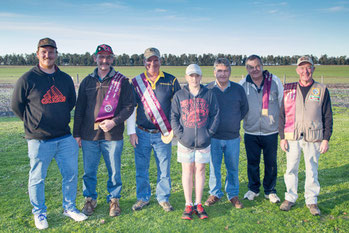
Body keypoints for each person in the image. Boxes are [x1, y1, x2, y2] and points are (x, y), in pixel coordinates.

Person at [11, 38, 87, 230]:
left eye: (51, 51)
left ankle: (69, 208)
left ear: (56, 54)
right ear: (37, 54)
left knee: (70, 174)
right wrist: (33, 124)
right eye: (44, 51)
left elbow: (70, 102)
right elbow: (16, 106)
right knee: (37, 178)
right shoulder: (27, 79)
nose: (48, 55)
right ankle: (39, 212)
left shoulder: (64, 78)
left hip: (64, 137)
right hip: (38, 140)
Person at [73, 44, 134, 217]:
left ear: (112, 59)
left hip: (112, 135)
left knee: (114, 170)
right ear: (95, 58)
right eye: (101, 57)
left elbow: (130, 106)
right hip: (88, 136)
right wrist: (76, 134)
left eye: (108, 57)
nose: (104, 61)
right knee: (89, 171)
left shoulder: (121, 81)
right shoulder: (87, 81)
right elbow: (79, 110)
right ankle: (90, 200)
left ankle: (114, 200)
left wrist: (114, 122)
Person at [126, 47, 181, 212]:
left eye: (155, 60)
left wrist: (175, 131)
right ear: (144, 62)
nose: (152, 63)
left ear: (160, 61)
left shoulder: (171, 80)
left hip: (163, 134)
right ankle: (143, 198)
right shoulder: (136, 82)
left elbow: (178, 107)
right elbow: (131, 108)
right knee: (141, 168)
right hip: (141, 133)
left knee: (164, 169)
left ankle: (163, 198)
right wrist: (131, 132)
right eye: (149, 60)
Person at [279, 56, 333, 216]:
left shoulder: (321, 89)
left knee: (312, 170)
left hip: (314, 137)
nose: (305, 71)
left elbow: (328, 116)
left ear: (313, 69)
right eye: (302, 68)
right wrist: (282, 137)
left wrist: (326, 138)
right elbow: (282, 114)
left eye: (308, 67)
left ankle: (312, 200)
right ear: (297, 70)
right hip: (292, 136)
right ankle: (290, 198)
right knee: (291, 169)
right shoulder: (289, 89)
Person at [171, 64, 220, 220]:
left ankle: (199, 204)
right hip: (185, 141)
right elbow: (174, 116)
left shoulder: (209, 94)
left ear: (201, 77)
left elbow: (216, 115)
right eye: (191, 75)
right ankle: (188, 204)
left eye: (197, 75)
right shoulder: (179, 95)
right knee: (187, 171)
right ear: (186, 77)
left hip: (203, 141)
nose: (194, 78)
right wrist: (180, 135)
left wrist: (209, 133)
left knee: (200, 170)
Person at [205, 58, 249, 208]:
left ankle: (233, 194)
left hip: (232, 137)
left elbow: (244, 109)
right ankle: (215, 193)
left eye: (225, 71)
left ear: (230, 72)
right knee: (214, 166)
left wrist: (234, 121)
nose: (223, 74)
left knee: (233, 167)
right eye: (219, 71)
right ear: (214, 72)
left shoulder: (238, 89)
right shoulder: (208, 89)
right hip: (214, 137)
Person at [239, 55, 283, 204]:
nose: (254, 70)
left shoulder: (275, 81)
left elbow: (283, 105)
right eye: (251, 67)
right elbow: (238, 108)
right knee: (252, 162)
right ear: (247, 69)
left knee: (270, 162)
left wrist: (284, 130)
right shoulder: (242, 84)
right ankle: (253, 189)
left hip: (270, 131)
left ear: (262, 66)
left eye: (257, 66)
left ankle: (270, 191)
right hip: (250, 132)